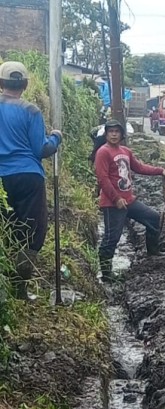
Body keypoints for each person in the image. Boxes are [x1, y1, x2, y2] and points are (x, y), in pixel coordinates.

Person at [0, 61, 62, 300]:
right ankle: (19, 285)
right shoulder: (31, 111)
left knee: (8, 226)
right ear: (25, 85)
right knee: (32, 229)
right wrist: (56, 138)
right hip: (28, 176)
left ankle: (7, 282)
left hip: (2, 180)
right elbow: (41, 149)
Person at [94, 119, 165, 282]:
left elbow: (140, 167)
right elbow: (103, 179)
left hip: (129, 200)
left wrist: (160, 171)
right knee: (111, 238)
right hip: (112, 203)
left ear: (122, 134)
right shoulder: (103, 152)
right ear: (106, 134)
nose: (114, 134)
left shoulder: (125, 151)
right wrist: (116, 198)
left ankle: (153, 252)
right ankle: (106, 274)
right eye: (111, 131)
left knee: (153, 218)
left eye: (117, 131)